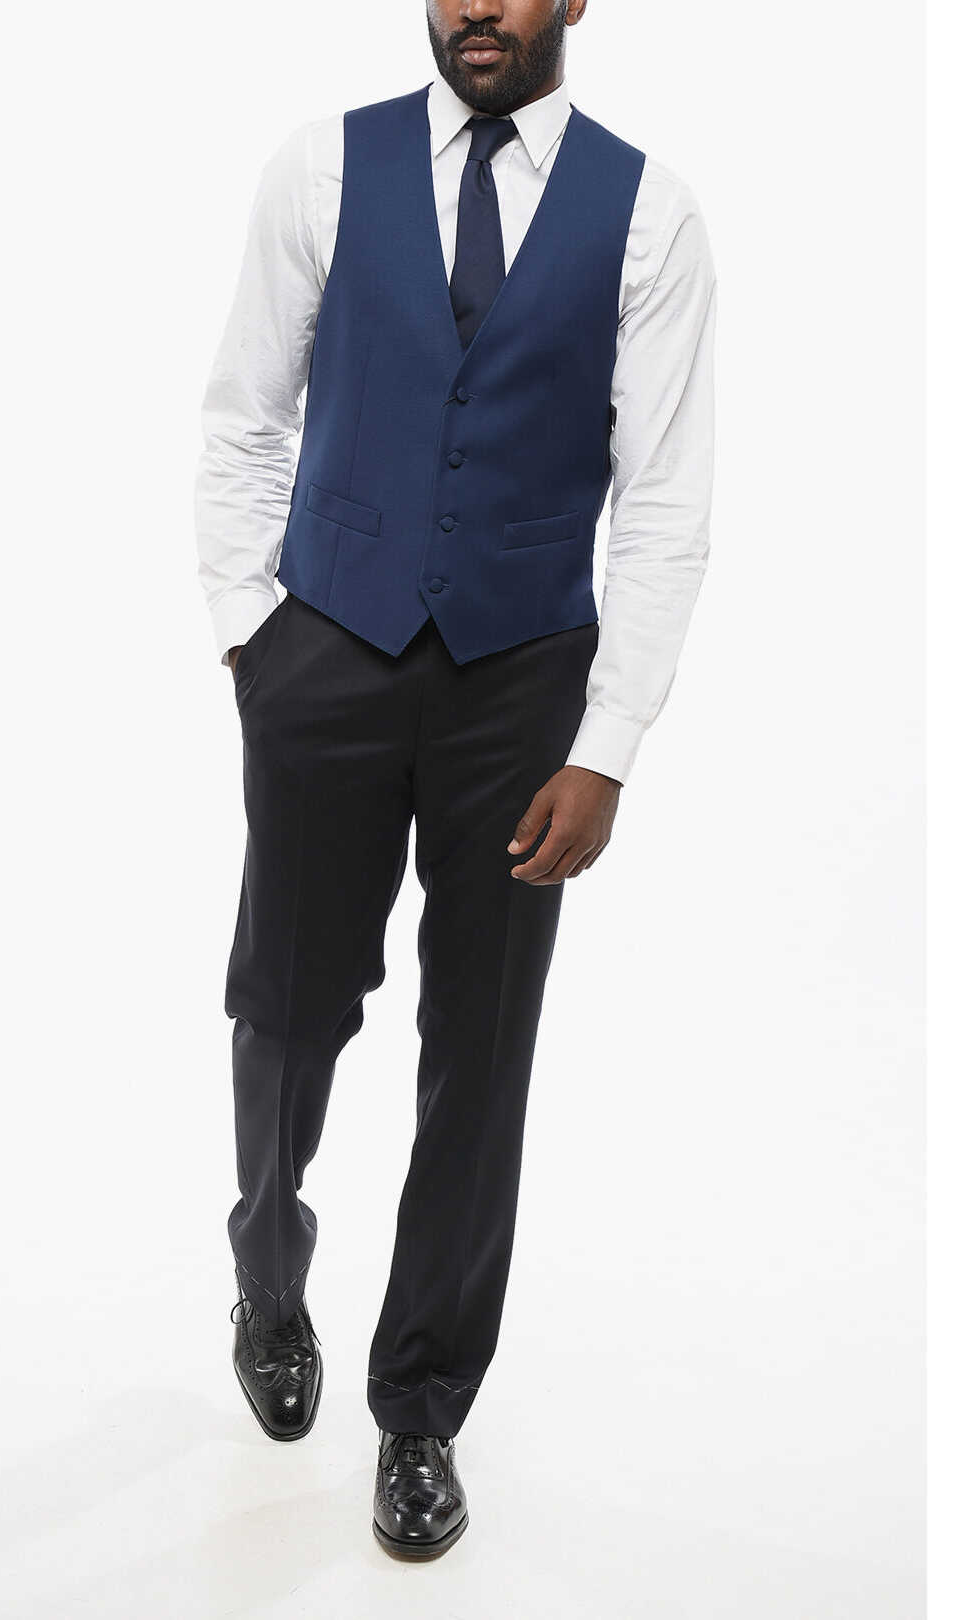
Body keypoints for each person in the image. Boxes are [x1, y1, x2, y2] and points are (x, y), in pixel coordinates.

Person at [195, 0, 716, 1560]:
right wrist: (252, 636)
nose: (474, 5)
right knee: (288, 999)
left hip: (520, 685)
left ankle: (417, 1410)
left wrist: (604, 745)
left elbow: (665, 500)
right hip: (326, 653)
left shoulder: (649, 213)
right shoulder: (320, 168)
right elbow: (242, 415)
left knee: (478, 1053)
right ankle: (267, 1263)